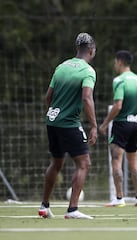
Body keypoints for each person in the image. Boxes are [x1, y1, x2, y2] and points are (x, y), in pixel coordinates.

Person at [38, 32, 97, 219]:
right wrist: (94, 125)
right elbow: (87, 98)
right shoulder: (87, 71)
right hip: (69, 123)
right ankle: (72, 209)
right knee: (84, 163)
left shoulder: (62, 67)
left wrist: (56, 112)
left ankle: (44, 206)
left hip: (52, 121)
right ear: (92, 51)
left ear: (76, 49)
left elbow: (48, 97)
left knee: (56, 163)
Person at [99, 50, 137, 207]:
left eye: (115, 62)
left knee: (116, 160)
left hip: (121, 124)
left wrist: (105, 123)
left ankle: (119, 199)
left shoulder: (119, 80)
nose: (114, 65)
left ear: (119, 61)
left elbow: (118, 105)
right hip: (135, 124)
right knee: (134, 162)